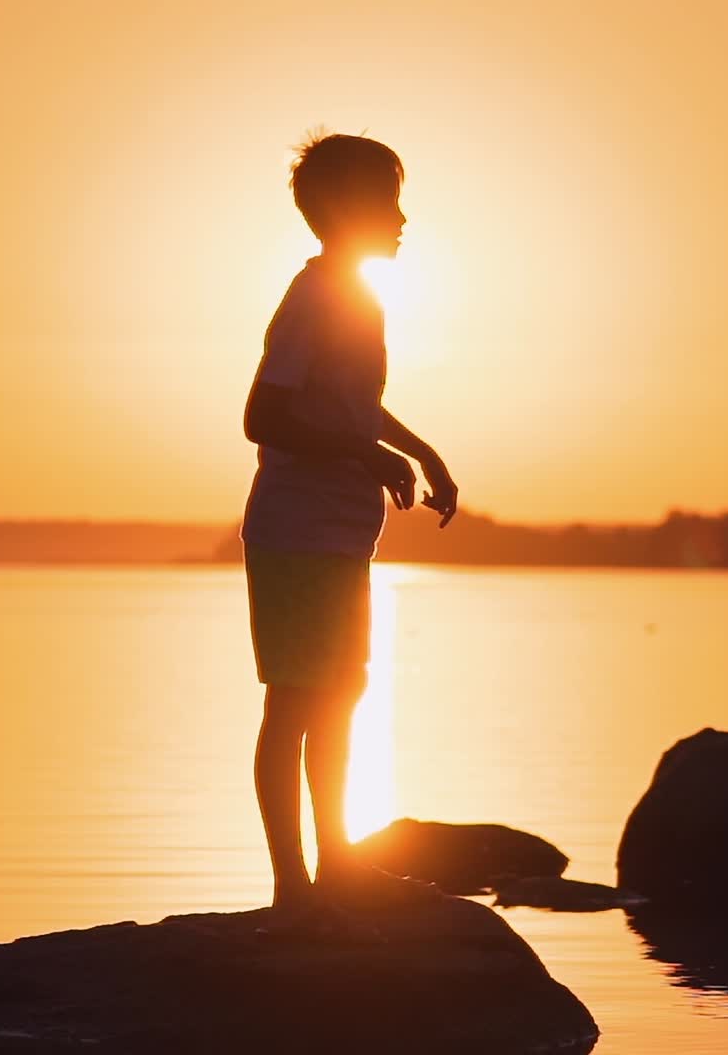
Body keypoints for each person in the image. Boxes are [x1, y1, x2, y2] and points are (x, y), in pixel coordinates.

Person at [239, 130, 458, 926]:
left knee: (341, 692)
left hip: (338, 536)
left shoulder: (355, 297)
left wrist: (417, 449)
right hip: (295, 531)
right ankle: (293, 886)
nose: (403, 218)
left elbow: (349, 406)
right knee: (295, 701)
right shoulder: (315, 296)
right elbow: (264, 415)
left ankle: (338, 869)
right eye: (388, 203)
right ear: (342, 210)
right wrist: (364, 454)